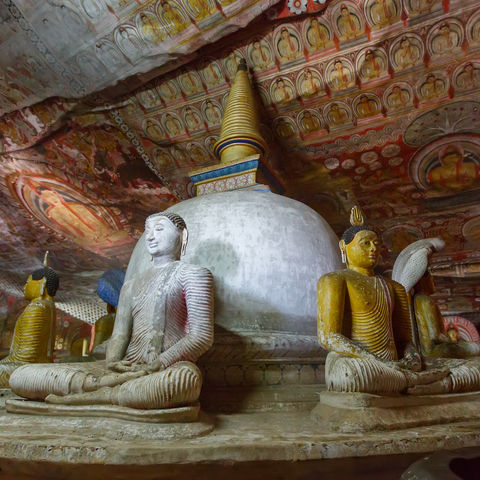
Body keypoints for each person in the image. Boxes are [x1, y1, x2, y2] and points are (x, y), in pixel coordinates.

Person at [10, 213, 215, 411]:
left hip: (165, 368)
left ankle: (95, 396)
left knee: (183, 382)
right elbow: (120, 334)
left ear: (182, 235)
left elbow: (201, 336)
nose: (151, 236)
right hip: (122, 369)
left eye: (159, 229)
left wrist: (159, 363)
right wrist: (113, 362)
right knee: (22, 376)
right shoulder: (131, 285)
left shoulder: (194, 275)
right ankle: (105, 388)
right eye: (147, 231)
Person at [317, 207, 480, 395]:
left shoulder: (394, 287)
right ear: (343, 246)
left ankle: (416, 382)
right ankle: (423, 383)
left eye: (377, 244)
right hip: (361, 364)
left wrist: (412, 358)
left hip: (398, 365)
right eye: (366, 243)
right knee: (353, 376)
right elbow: (328, 337)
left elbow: (404, 340)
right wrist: (372, 360)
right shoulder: (334, 280)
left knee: (476, 368)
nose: (373, 248)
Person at [0, 253, 59, 387]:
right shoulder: (48, 307)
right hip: (34, 367)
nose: (24, 287)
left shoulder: (37, 308)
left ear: (42, 284)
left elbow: (25, 358)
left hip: (26, 370)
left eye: (28, 283)